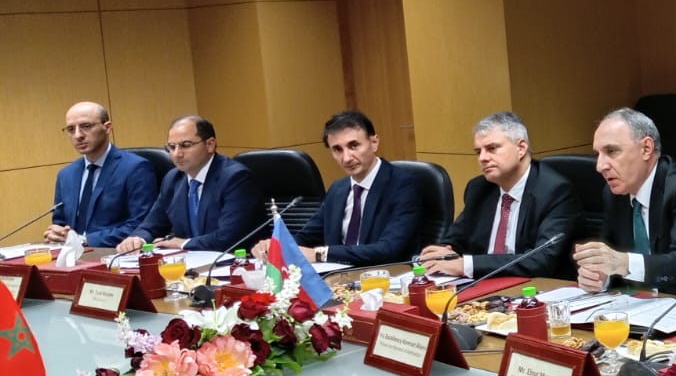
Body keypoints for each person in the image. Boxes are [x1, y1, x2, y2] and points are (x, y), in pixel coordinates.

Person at [574, 108, 676, 296]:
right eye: (598, 154)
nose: (600, 166)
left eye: (612, 151)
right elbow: (613, 254)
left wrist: (624, 263)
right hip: (643, 303)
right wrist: (601, 276)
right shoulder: (614, 194)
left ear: (646, 148)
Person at [250, 111, 422, 267]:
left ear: (374, 142)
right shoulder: (338, 189)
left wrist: (320, 254)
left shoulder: (403, 185)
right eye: (337, 149)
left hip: (385, 278)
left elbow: (388, 249)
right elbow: (307, 236)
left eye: (354, 146)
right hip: (338, 279)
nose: (346, 158)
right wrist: (275, 246)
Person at [419, 112, 578, 278]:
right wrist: (445, 251)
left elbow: (542, 259)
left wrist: (467, 265)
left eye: (492, 148)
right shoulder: (479, 188)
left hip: (533, 285)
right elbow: (456, 238)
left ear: (521, 148)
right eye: (478, 152)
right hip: (482, 283)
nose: (482, 158)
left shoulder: (555, 191)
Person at [116, 116, 265, 253]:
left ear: (210, 145)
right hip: (190, 264)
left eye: (186, 145)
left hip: (235, 263)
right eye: (172, 147)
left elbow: (227, 238)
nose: (177, 154)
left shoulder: (236, 178)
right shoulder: (173, 179)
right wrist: (138, 239)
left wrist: (183, 243)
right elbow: (151, 225)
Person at [45, 101, 158, 248]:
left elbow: (141, 225)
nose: (78, 135)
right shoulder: (66, 175)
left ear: (107, 127)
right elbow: (60, 224)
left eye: (86, 126)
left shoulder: (135, 168)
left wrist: (84, 240)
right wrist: (56, 234)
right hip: (72, 255)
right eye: (71, 129)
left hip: (114, 253)